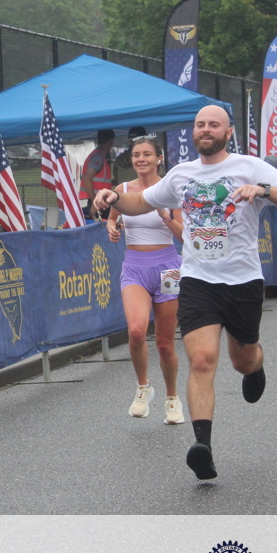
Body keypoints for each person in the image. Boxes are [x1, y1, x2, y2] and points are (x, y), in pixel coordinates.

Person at [92, 105, 277, 480]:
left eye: (214, 125)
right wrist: (113, 198)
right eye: (200, 124)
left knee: (241, 360)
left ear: (228, 132)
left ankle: (255, 364)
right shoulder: (181, 174)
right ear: (193, 132)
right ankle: (202, 446)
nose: (206, 129)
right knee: (203, 359)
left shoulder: (249, 166)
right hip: (197, 280)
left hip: (242, 281)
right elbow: (141, 202)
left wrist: (264, 190)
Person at [105, 135, 185, 424]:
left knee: (165, 343)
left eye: (147, 154)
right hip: (135, 268)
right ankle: (143, 387)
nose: (141, 159)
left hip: (168, 268)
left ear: (159, 158)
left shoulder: (171, 190)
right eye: (136, 154)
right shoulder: (123, 190)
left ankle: (172, 398)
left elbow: (184, 237)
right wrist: (112, 227)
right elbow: (111, 218)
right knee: (137, 331)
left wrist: (166, 216)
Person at [78, 129, 115, 219]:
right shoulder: (98, 157)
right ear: (110, 141)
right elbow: (86, 178)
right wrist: (95, 202)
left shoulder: (97, 156)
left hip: (99, 200)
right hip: (98, 201)